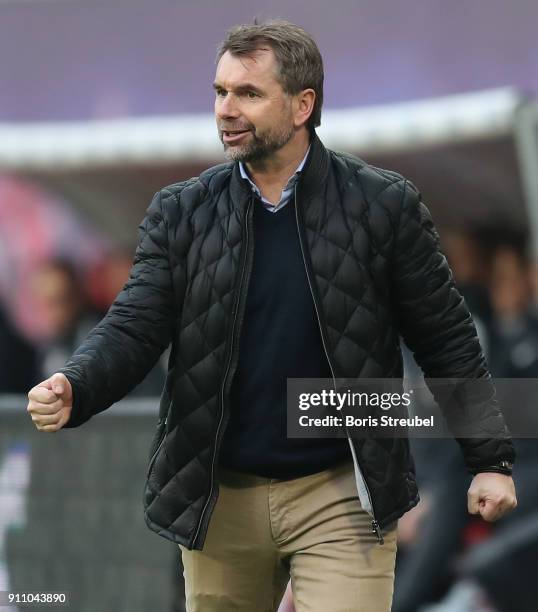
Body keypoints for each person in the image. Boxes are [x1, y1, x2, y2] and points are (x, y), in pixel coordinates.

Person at [27, 20, 517, 612]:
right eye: (219, 92)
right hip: (218, 494)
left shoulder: (384, 206)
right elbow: (134, 323)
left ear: (303, 104)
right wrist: (76, 383)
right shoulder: (181, 212)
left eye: (248, 94)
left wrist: (489, 460)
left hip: (343, 490)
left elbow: (446, 338)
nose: (226, 110)